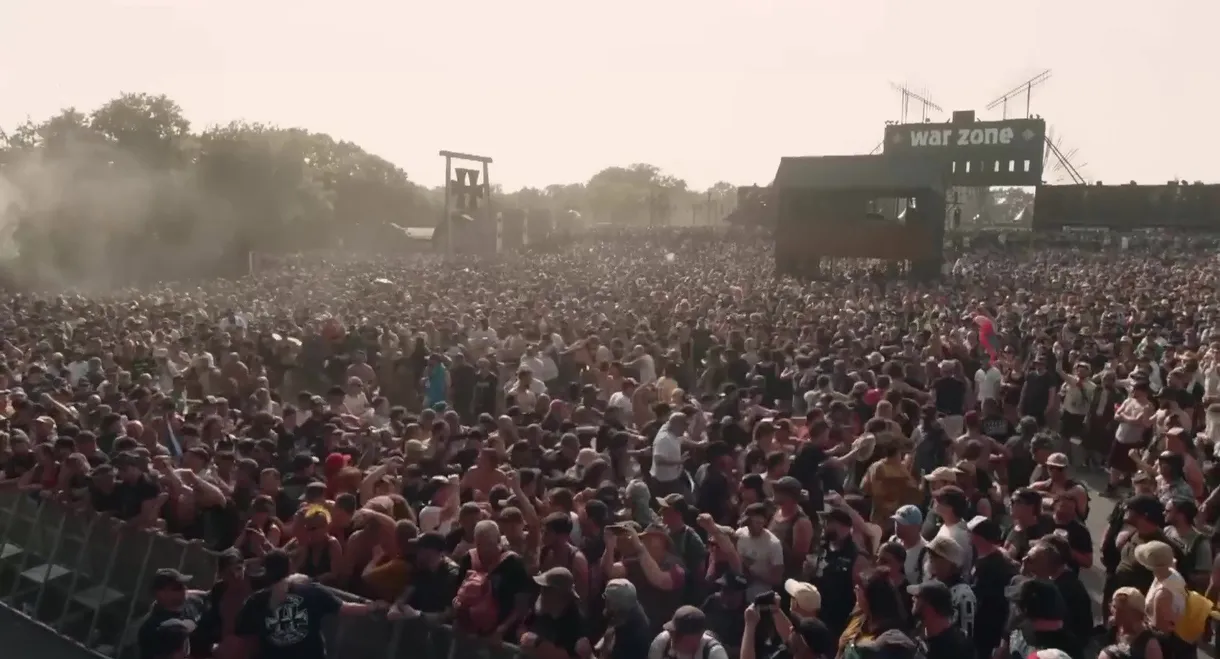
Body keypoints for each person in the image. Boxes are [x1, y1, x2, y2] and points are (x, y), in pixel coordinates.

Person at [234, 549, 385, 659]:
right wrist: (373, 606)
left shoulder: (255, 602)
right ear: (290, 567)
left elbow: (243, 638)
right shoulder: (311, 591)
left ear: (265, 571)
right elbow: (345, 608)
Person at [137, 569, 209, 659]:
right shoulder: (154, 628)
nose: (184, 589)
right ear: (161, 594)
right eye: (178, 588)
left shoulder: (191, 602)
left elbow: (206, 594)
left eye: (183, 585)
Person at [908, 580, 975, 658]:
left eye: (917, 596)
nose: (912, 598)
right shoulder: (920, 640)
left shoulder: (956, 647)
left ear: (929, 605)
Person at [648, 606, 728, 659]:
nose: (673, 637)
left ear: (698, 636)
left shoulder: (713, 652)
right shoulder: (663, 643)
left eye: (679, 634)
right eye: (671, 632)